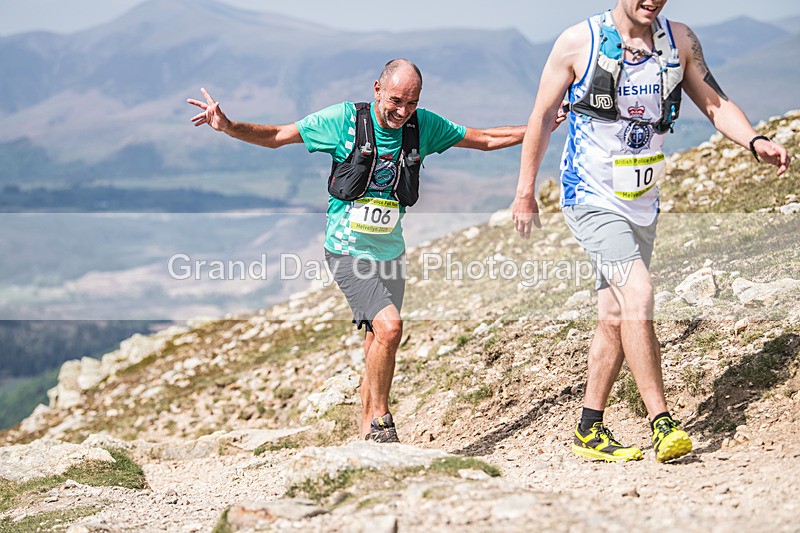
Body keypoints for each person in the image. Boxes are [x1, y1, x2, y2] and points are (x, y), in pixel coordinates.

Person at [189, 58, 561, 443]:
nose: (403, 112)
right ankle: (383, 424)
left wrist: (539, 126)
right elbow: (279, 134)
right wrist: (229, 126)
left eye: (412, 103)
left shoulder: (422, 126)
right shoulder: (343, 120)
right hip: (347, 250)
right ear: (377, 89)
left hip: (390, 253)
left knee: (375, 342)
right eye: (396, 100)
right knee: (390, 328)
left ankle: (366, 438)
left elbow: (484, 139)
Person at [511, 1, 790, 462]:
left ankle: (589, 427)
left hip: (643, 202)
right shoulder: (579, 41)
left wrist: (755, 141)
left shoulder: (678, 40)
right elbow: (541, 116)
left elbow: (714, 103)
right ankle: (662, 422)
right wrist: (525, 191)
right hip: (590, 196)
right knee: (638, 293)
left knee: (615, 314)